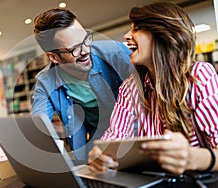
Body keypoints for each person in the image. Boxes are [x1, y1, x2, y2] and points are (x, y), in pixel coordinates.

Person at [0, 8, 133, 161]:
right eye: (74, 49)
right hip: (98, 145)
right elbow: (39, 123)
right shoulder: (45, 82)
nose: (85, 50)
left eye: (86, 39)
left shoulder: (116, 53)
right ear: (54, 57)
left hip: (136, 135)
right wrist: (14, 144)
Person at [88, 2, 218, 175]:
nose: (127, 36)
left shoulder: (199, 76)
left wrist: (190, 157)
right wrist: (100, 156)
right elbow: (114, 139)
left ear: (162, 35)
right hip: (153, 182)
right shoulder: (129, 87)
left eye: (137, 29)